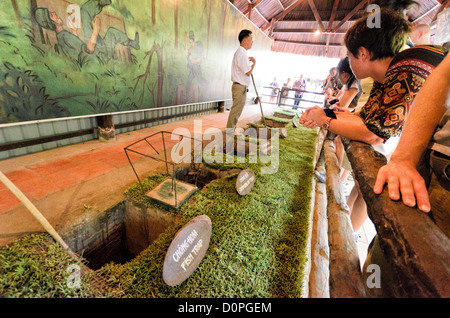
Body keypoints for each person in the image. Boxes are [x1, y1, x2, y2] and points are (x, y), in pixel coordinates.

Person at [299, 8, 448, 232]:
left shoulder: (407, 67)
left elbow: (374, 134)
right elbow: (366, 119)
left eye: (349, 56)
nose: (348, 62)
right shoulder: (388, 73)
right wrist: (325, 115)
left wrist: (325, 120)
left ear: (363, 53)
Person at [226, 29, 255, 132]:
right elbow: (247, 72)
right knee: (236, 110)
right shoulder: (241, 53)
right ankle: (230, 131)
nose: (252, 41)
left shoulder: (242, 53)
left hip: (241, 86)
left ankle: (232, 129)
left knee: (238, 110)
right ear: (245, 40)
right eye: (251, 39)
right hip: (239, 86)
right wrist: (254, 63)